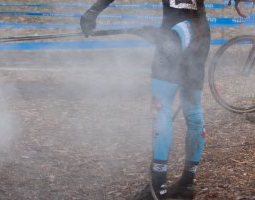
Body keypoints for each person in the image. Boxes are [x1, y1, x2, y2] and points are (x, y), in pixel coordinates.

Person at [80, 0, 245, 199]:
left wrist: (93, 11)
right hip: (200, 33)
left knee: (161, 107)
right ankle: (186, 185)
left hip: (175, 33)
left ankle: (158, 189)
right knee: (193, 111)